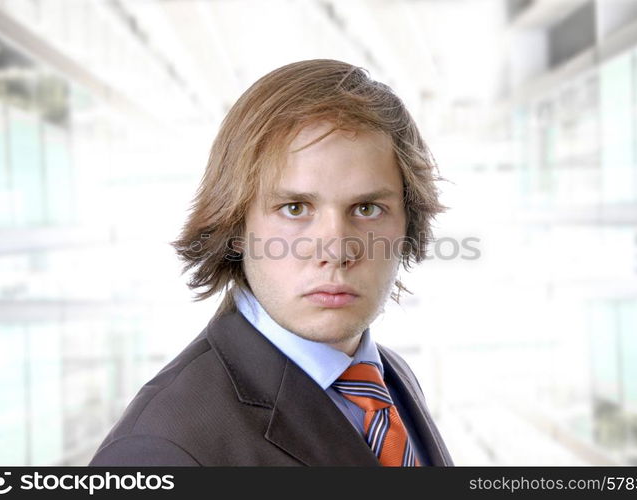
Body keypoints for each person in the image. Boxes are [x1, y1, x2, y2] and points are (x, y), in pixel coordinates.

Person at [89, 59, 453, 466]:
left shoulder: (387, 378)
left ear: (408, 221)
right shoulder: (160, 449)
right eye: (295, 208)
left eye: (367, 208)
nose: (334, 250)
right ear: (236, 225)